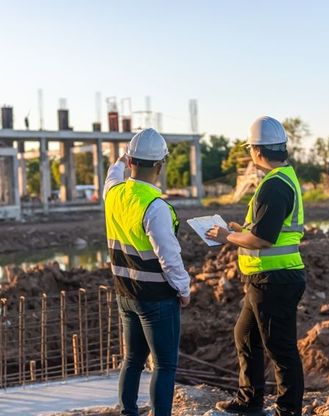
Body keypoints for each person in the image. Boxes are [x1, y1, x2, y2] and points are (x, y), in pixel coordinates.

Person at [206, 116, 306, 416]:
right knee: (245, 335)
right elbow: (262, 229)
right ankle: (250, 401)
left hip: (275, 279)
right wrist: (241, 230)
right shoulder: (282, 178)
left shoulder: (274, 186)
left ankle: (288, 410)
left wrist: (227, 236)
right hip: (265, 279)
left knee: (281, 349)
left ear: (258, 151)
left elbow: (262, 240)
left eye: (250, 149)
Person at [103, 128, 191, 416]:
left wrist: (119, 159)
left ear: (130, 162)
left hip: (125, 294)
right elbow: (169, 257)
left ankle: (128, 412)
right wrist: (183, 288)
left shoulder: (113, 194)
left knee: (132, 360)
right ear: (160, 166)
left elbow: (111, 174)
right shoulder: (156, 207)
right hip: (156, 299)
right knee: (165, 365)